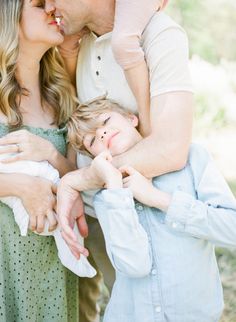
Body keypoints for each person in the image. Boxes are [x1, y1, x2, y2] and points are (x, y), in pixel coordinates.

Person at [45, 0, 193, 320]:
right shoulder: (77, 44)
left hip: (142, 224)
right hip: (91, 223)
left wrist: (79, 180)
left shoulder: (159, 36)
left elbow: (170, 148)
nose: (48, 5)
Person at [60, 97, 236, 322]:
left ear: (131, 119)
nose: (102, 133)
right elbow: (135, 265)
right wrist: (117, 190)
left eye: (105, 120)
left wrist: (158, 199)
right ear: (96, 159)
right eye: (93, 140)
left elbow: (231, 227)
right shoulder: (108, 199)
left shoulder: (192, 159)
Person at [0, 0, 85, 320]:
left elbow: (78, 176)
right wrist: (22, 186)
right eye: (38, 4)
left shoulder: (62, 95)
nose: (52, 8)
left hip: (51, 263)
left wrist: (50, 154)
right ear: (9, 16)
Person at [0, 150, 96, 277]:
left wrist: (51, 153)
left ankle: (75, 256)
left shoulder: (68, 131)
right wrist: (25, 185)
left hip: (51, 260)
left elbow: (74, 170)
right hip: (8, 248)